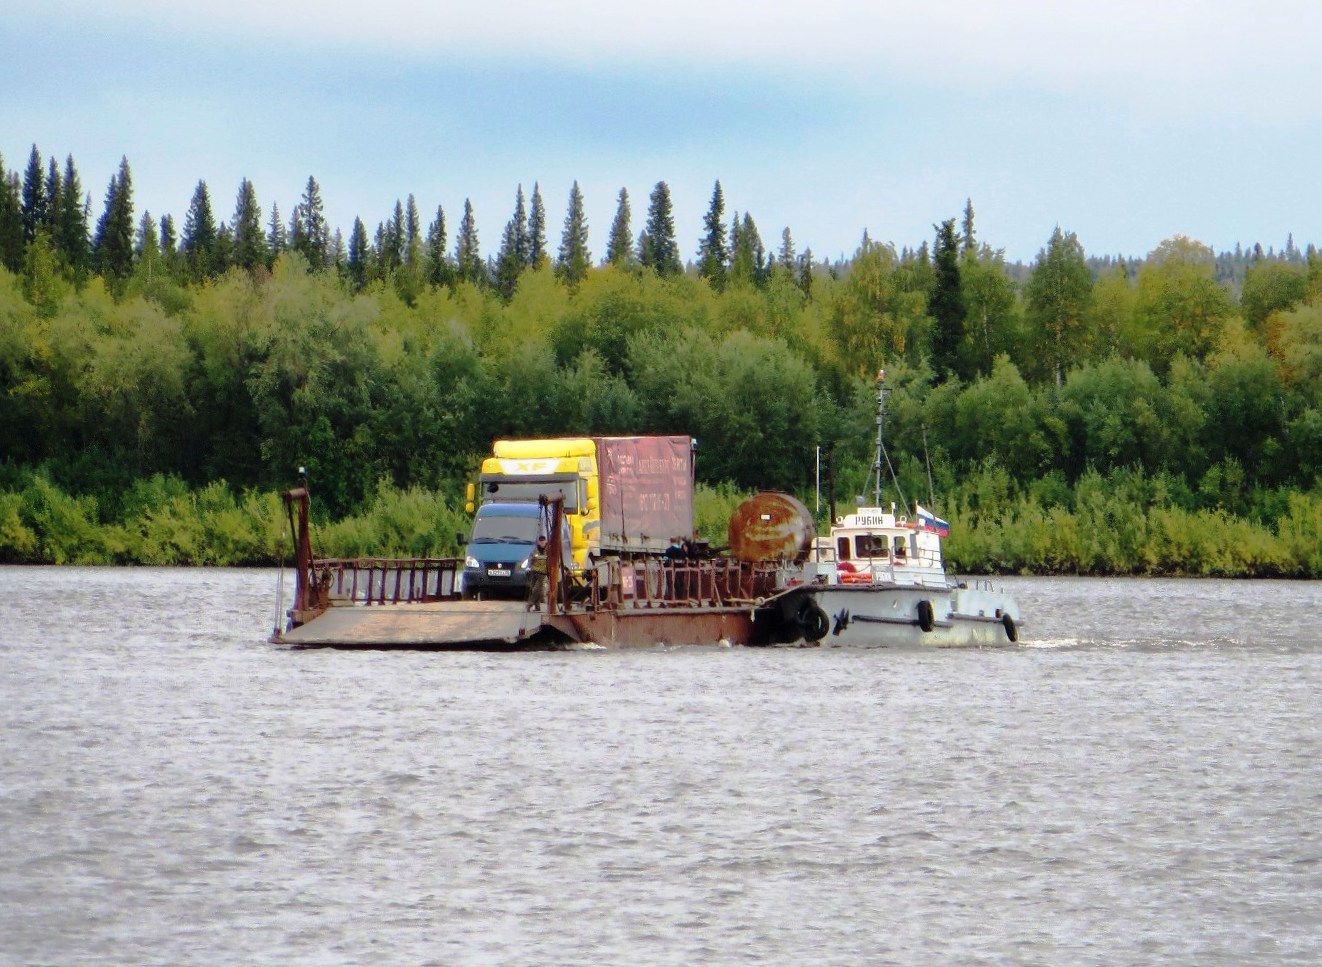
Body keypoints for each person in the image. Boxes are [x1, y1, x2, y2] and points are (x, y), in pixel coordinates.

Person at [527, 535, 548, 611]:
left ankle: (530, 604)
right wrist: (528, 567)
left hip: (543, 573)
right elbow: (530, 560)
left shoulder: (548, 550)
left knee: (537, 589)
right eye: (540, 541)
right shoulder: (535, 551)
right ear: (538, 542)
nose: (542, 542)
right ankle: (537, 606)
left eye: (543, 541)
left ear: (545, 541)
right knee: (533, 589)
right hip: (534, 572)